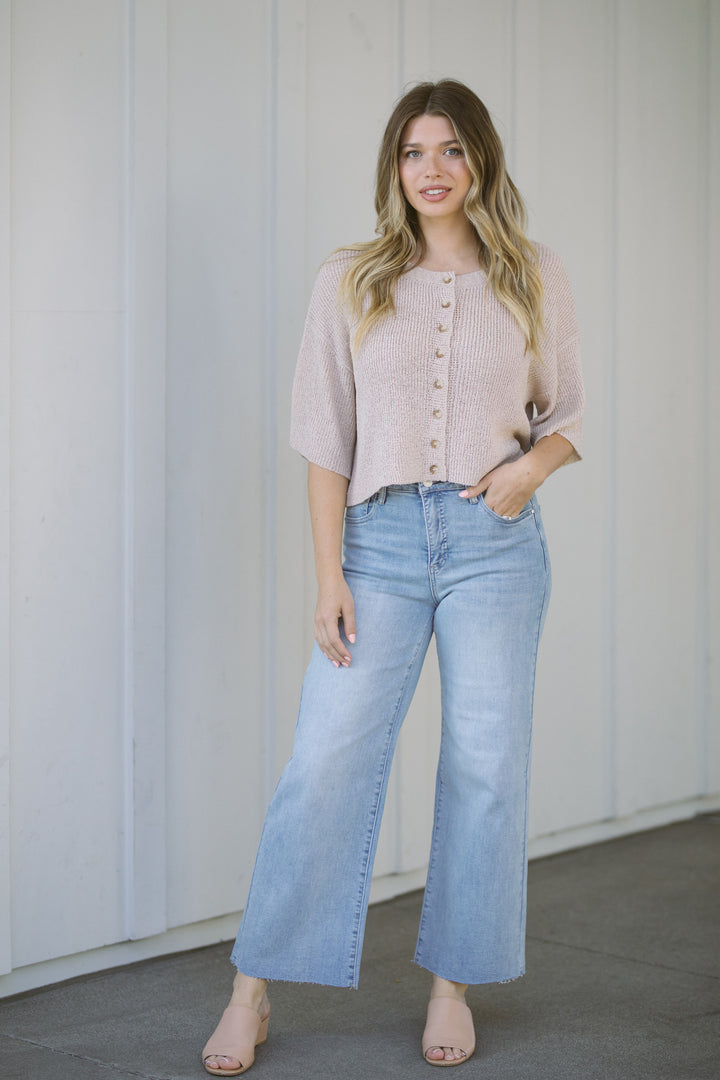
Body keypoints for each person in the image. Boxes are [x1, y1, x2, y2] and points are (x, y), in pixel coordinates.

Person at [201, 78, 584, 1075]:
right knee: (322, 760)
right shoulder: (350, 278)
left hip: (494, 547)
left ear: (481, 162)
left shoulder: (532, 275)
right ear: (393, 168)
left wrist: (524, 472)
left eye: (451, 150)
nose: (432, 170)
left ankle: (451, 983)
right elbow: (325, 437)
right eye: (413, 153)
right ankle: (254, 984)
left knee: (485, 765)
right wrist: (328, 574)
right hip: (373, 547)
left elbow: (568, 419)